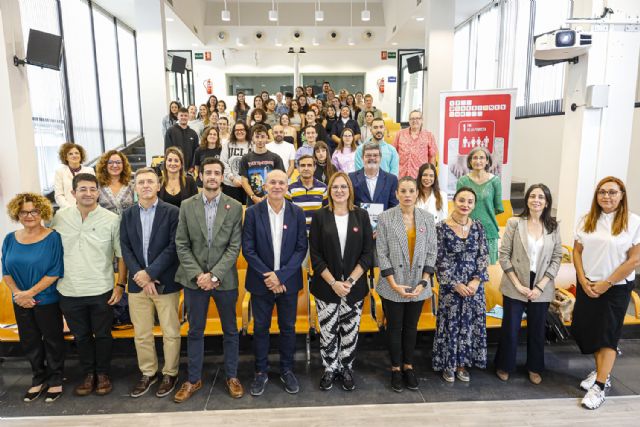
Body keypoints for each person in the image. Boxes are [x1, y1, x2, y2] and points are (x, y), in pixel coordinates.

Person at [174, 158, 245, 401]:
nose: (212, 176)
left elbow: (234, 247)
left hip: (224, 281)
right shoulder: (186, 205)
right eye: (208, 173)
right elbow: (181, 244)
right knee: (195, 331)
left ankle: (232, 376)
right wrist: (199, 275)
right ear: (200, 176)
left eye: (217, 173)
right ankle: (193, 379)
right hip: (194, 281)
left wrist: (214, 275)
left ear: (222, 177)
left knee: (231, 331)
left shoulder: (235, 207)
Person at [51, 173, 125, 396]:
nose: (88, 193)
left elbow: (121, 256)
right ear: (73, 193)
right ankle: (88, 374)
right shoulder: (59, 217)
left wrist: (120, 285)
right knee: (81, 336)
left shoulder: (112, 219)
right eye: (83, 189)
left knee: (103, 335)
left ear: (98, 192)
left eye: (93, 189)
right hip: (68, 289)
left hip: (101, 288)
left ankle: (102, 373)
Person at [571, 177, 640, 410]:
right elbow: (577, 251)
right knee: (589, 331)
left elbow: (635, 260)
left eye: (612, 192)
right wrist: (582, 279)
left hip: (615, 289)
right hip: (587, 285)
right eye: (602, 192)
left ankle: (600, 385)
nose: (606, 196)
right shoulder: (587, 219)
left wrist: (607, 283)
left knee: (608, 336)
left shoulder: (633, 222)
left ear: (622, 194)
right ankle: (601, 371)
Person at [242, 170, 308, 396]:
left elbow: (301, 249)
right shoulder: (252, 213)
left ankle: (287, 369)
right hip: (261, 283)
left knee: (288, 329)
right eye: (273, 182)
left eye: (281, 182)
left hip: (288, 283)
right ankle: (260, 372)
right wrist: (269, 276)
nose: (277, 186)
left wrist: (281, 276)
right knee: (261, 328)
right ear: (265, 186)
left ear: (287, 186)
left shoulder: (297, 213)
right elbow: (248, 250)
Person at [119, 168, 182, 399]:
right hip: (137, 284)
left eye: (150, 182)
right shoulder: (127, 215)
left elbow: (174, 246)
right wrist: (141, 275)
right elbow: (125, 247)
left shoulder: (172, 212)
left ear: (158, 186)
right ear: (135, 187)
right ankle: (148, 372)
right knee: (142, 333)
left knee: (170, 332)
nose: (145, 185)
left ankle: (170, 373)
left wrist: (151, 272)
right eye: (141, 182)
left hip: (165, 281)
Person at [309, 172, 374, 391]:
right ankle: (329, 368)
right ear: (329, 190)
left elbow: (367, 254)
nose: (339, 191)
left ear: (349, 190)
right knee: (327, 331)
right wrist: (334, 283)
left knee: (350, 331)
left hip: (353, 289)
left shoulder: (361, 216)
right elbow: (315, 256)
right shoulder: (320, 216)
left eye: (343, 187)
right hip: (326, 288)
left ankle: (346, 367)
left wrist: (350, 281)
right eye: (335, 187)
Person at [494, 183, 563, 385]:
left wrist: (541, 286)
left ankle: (535, 367)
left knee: (537, 330)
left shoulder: (553, 226)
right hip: (516, 282)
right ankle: (504, 365)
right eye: (532, 196)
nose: (536, 200)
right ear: (527, 200)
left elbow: (557, 257)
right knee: (510, 328)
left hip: (541, 284)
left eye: (541, 197)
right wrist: (517, 285)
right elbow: (504, 256)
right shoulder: (515, 223)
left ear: (547, 202)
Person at [375, 177, 437, 392]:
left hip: (418, 284)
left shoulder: (428, 219)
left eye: (412, 190)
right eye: (403, 191)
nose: (408, 194)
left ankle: (408, 366)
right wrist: (393, 284)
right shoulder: (385, 218)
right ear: (397, 194)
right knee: (394, 327)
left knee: (411, 328)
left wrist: (423, 282)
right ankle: (395, 368)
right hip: (392, 284)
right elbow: (381, 253)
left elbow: (432, 252)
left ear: (417, 193)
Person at [2, 193, 64, 402]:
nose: (29, 215)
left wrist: (30, 293)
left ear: (42, 212)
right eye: (24, 212)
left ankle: (55, 380)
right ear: (17, 214)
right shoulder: (10, 238)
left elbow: (56, 271)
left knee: (52, 341)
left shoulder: (53, 237)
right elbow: (6, 271)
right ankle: (38, 378)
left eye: (34, 211)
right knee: (30, 342)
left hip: (46, 299)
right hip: (20, 300)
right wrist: (19, 294)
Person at [432, 187, 489, 383]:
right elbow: (438, 260)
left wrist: (475, 281)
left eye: (470, 201)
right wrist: (455, 284)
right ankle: (448, 364)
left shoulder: (479, 227)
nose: (465, 205)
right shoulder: (440, 227)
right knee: (451, 325)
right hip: (451, 287)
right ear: (454, 201)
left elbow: (483, 256)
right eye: (462, 200)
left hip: (474, 287)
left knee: (469, 325)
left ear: (474, 205)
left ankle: (462, 365)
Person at [456, 146, 504, 264]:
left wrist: (484, 217)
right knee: (466, 267)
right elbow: (458, 206)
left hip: (488, 231)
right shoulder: (462, 181)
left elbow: (498, 207)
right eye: (475, 158)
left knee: (488, 271)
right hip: (466, 230)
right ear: (470, 161)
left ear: (487, 160)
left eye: (482, 158)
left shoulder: (495, 181)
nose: (478, 161)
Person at [239, 124, 285, 206]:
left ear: (267, 137)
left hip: (272, 201)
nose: (260, 140)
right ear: (252, 138)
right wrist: (253, 197)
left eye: (262, 136)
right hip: (252, 202)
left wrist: (268, 196)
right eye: (257, 137)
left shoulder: (275, 158)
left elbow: (281, 180)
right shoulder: (245, 158)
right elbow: (244, 181)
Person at [349, 142, 399, 216]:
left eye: (375, 155)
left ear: (380, 158)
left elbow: (394, 206)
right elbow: (349, 204)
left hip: (384, 225)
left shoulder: (391, 180)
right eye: (368, 155)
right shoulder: (351, 178)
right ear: (362, 158)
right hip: (359, 224)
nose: (372, 158)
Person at [285, 155, 328, 233]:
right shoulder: (290, 189)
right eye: (302, 165)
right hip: (298, 235)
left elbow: (327, 213)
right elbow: (287, 215)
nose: (306, 168)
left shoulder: (323, 188)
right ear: (297, 168)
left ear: (314, 168)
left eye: (309, 165)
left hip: (318, 235)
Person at [392, 110, 438, 179]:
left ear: (422, 120)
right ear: (409, 121)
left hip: (420, 176)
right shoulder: (400, 134)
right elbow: (393, 153)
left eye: (417, 118)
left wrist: (430, 175)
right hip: (401, 175)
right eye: (412, 119)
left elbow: (432, 157)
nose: (414, 121)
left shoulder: (429, 135)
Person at [54, 142, 95, 209]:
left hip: (87, 209)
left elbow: (94, 191)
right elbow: (59, 195)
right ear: (66, 157)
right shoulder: (60, 172)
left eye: (77, 153)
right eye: (70, 154)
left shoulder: (89, 171)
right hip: (67, 211)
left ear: (81, 155)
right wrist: (69, 208)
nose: (74, 155)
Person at [220, 121, 251, 205]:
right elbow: (223, 163)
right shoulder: (227, 144)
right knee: (229, 212)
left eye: (242, 129)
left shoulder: (252, 145)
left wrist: (244, 181)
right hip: (230, 184)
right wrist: (232, 178)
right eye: (236, 130)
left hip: (248, 186)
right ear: (233, 132)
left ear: (246, 131)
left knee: (246, 211)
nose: (239, 131)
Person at [95, 150, 134, 216]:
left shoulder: (131, 185)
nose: (115, 165)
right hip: (105, 225)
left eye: (118, 162)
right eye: (110, 162)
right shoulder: (97, 186)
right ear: (104, 165)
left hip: (127, 225)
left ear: (123, 165)